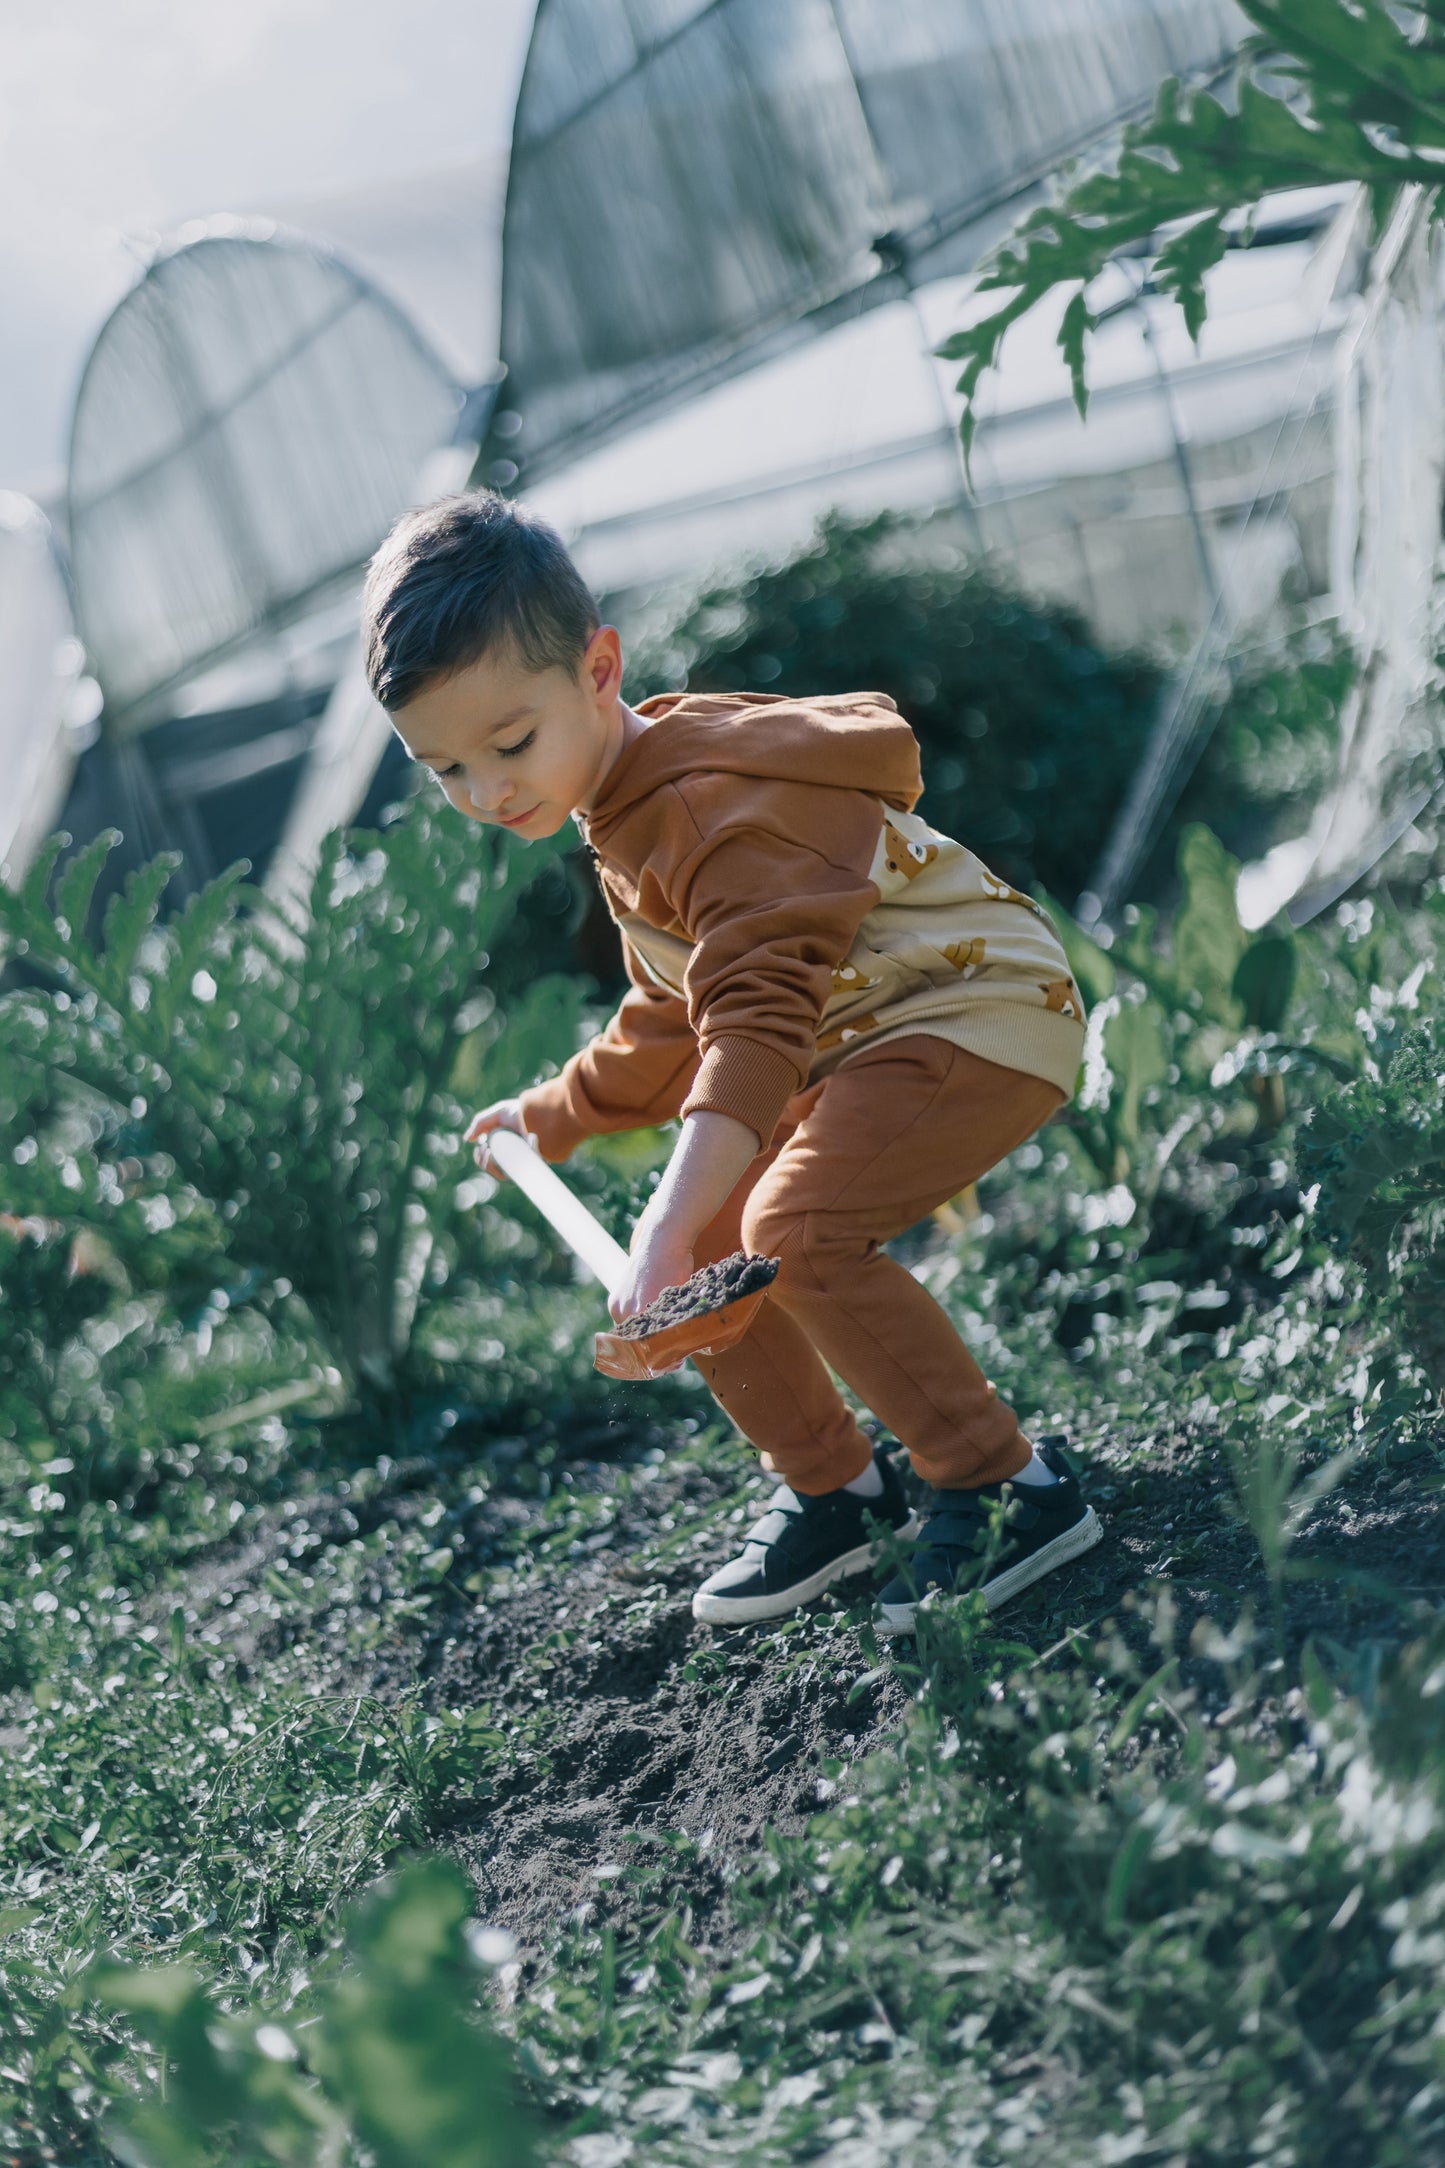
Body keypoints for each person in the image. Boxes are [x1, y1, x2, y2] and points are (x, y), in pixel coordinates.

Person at [362, 490, 1103, 1632]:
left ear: (598, 668)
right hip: (874, 1038)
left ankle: (1007, 1485)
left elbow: (750, 1029)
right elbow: (675, 1010)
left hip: (974, 1008)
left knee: (791, 1231)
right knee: (717, 1251)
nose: (487, 790)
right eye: (444, 768)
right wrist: (559, 1112)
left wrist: (654, 1229)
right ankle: (838, 1490)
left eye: (508, 743)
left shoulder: (715, 809)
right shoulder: (622, 810)